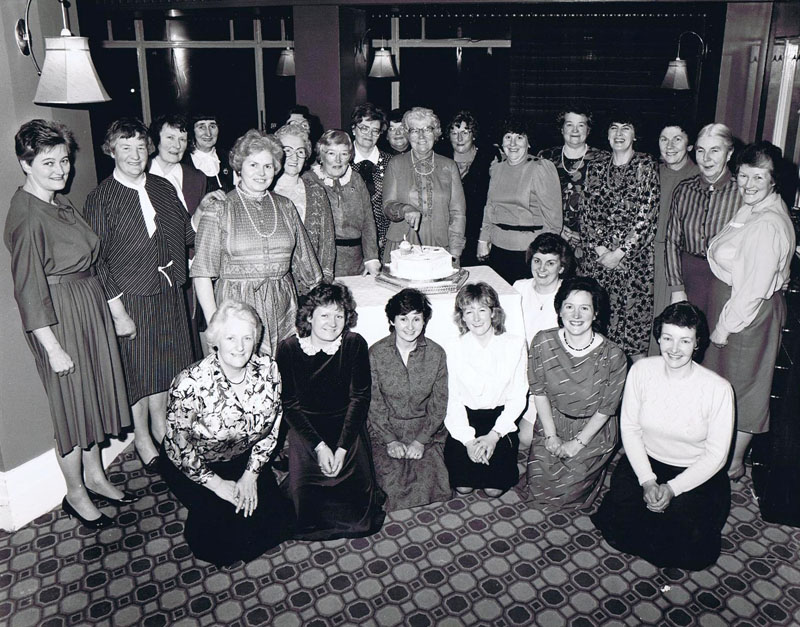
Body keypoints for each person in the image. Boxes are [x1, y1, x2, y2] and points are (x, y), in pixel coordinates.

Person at [5, 119, 133, 529]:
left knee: (91, 400)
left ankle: (95, 476)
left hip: (87, 306)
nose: (61, 170)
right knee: (70, 411)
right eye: (48, 162)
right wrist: (53, 348)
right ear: (26, 164)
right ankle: (75, 493)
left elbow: (92, 259)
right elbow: (27, 291)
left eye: (63, 160)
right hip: (59, 320)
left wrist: (112, 310)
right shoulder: (26, 215)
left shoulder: (59, 202)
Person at [85, 118, 198, 472]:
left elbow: (187, 235)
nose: (134, 155)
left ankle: (162, 425)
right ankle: (142, 436)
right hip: (130, 297)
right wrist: (117, 312)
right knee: (137, 371)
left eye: (139, 147)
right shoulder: (101, 198)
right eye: (125, 147)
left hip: (169, 292)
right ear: (111, 151)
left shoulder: (163, 188)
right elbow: (97, 262)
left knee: (166, 366)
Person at [592, 302, 734, 571]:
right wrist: (647, 481)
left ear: (697, 343)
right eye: (667, 338)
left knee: (686, 540)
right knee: (623, 516)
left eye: (684, 340)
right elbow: (630, 429)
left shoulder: (719, 389)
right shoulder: (642, 370)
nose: (674, 349)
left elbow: (716, 456)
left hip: (694, 472)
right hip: (648, 463)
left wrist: (672, 489)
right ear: (658, 338)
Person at [161, 300, 294, 566]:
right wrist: (217, 484)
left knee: (279, 523)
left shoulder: (268, 370)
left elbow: (273, 426)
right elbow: (180, 448)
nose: (240, 346)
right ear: (215, 341)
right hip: (196, 464)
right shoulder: (190, 383)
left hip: (242, 458)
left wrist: (251, 474)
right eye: (231, 337)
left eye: (247, 337)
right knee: (219, 545)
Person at [704, 141, 795, 480]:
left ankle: (734, 463)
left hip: (746, 315)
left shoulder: (767, 223)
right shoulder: (755, 207)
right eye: (743, 176)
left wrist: (723, 328)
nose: (748, 185)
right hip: (738, 307)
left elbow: (753, 289)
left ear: (774, 180)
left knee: (743, 390)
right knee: (728, 384)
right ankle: (723, 453)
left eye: (759, 177)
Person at [192, 129, 323, 356]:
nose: (261, 173)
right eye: (253, 165)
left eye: (268, 166)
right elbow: (202, 272)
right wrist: (216, 323)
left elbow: (308, 264)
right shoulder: (220, 208)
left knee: (281, 378)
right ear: (239, 167)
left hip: (283, 306)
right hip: (236, 308)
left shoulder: (286, 207)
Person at [276, 283, 386, 539]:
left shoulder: (354, 344)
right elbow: (289, 405)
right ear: (309, 317)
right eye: (324, 315)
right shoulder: (289, 349)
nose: (332, 322)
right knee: (305, 518)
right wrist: (320, 447)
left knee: (360, 523)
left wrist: (343, 447)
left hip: (347, 431)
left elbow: (360, 399)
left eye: (339, 315)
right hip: (306, 434)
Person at [521, 276, 627, 511]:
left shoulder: (613, 356)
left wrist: (576, 445)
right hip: (552, 423)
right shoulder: (542, 341)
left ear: (596, 313)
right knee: (537, 488)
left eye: (584, 308)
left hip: (592, 431)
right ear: (559, 310)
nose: (576, 315)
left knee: (566, 495)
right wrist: (550, 435)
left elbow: (606, 409)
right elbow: (539, 392)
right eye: (569, 307)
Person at [580, 111, 659, 359]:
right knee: (597, 326)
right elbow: (586, 212)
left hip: (633, 266)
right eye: (614, 128)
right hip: (599, 263)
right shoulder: (595, 167)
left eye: (626, 128)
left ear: (635, 135)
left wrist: (621, 252)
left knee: (632, 333)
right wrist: (601, 250)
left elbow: (647, 214)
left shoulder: (646, 165)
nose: (619, 134)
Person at [149, 113, 227, 359]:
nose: (176, 145)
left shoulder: (196, 177)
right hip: (151, 272)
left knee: (191, 337)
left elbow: (197, 228)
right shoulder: (142, 175)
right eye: (170, 138)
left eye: (182, 139)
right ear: (156, 140)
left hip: (190, 269)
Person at [368, 289, 450, 511]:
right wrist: (390, 440)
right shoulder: (375, 353)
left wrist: (421, 440)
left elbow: (439, 403)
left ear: (425, 320)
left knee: (432, 484)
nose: (410, 326)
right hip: (385, 429)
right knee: (389, 486)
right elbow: (373, 403)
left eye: (416, 318)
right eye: (403, 319)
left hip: (424, 429)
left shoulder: (436, 353)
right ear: (392, 321)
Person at [443, 282, 527, 496]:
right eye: (469, 312)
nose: (476, 318)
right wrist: (468, 441)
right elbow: (451, 399)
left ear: (493, 313)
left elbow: (518, 396)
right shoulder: (453, 347)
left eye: (482, 310)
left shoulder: (515, 344)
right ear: (461, 317)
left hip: (499, 421)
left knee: (493, 490)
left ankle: (509, 460)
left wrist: (493, 436)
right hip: (465, 419)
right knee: (462, 486)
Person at [664, 123, 739, 331]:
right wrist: (677, 288)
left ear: (729, 153)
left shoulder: (742, 193)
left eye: (715, 150)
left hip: (726, 281)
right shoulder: (684, 190)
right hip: (688, 277)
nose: (706, 159)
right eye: (701, 150)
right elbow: (672, 241)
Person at [477, 118, 563, 284]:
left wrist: (544, 256)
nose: (513, 143)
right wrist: (483, 240)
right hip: (498, 250)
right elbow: (490, 207)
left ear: (528, 142)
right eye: (508, 137)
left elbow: (553, 220)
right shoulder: (496, 168)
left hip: (529, 252)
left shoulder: (540, 168)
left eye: (519, 137)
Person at [512, 233, 576, 448]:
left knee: (525, 438)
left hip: (548, 379)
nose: (541, 269)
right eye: (537, 261)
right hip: (517, 371)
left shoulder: (568, 296)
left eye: (550, 263)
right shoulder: (519, 287)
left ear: (561, 267)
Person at [383, 107, 467, 266]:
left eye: (427, 129)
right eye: (414, 130)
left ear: (436, 133)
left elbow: (458, 213)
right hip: (403, 244)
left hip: (439, 246)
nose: (421, 136)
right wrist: (404, 209)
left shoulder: (449, 166)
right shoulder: (396, 164)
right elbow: (387, 207)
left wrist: (455, 250)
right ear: (407, 134)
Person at [649, 121, 700, 356]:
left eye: (677, 139)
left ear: (689, 145)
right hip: (646, 257)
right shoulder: (651, 172)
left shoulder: (699, 176)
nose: (670, 146)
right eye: (663, 139)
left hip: (677, 260)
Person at [305, 130, 381, 277]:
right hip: (322, 262)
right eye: (332, 153)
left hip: (357, 263)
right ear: (321, 155)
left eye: (344, 154)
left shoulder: (356, 179)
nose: (338, 160)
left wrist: (371, 257)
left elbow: (368, 221)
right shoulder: (309, 180)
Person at [538, 106, 606, 267]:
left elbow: (608, 205)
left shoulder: (603, 159)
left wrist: (587, 235)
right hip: (553, 239)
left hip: (593, 244)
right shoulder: (546, 158)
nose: (575, 130)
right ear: (561, 129)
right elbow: (536, 200)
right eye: (569, 124)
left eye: (581, 125)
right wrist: (558, 229)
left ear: (588, 130)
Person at [274, 123, 336, 282]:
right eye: (287, 151)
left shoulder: (316, 191)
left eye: (300, 152)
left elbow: (327, 242)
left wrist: (324, 280)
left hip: (312, 283)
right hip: (278, 284)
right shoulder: (266, 193)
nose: (294, 157)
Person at [439, 111, 494, 267]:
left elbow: (492, 200)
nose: (459, 138)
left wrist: (485, 237)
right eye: (454, 133)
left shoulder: (489, 158)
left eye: (465, 132)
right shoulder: (439, 158)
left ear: (473, 135)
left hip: (476, 231)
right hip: (446, 231)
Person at [350, 103, 393, 260]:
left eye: (375, 130)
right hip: (349, 244)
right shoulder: (341, 161)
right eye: (364, 128)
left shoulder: (391, 162)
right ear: (354, 129)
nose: (369, 134)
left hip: (385, 243)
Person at [186, 113, 233, 193]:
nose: (208, 133)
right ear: (192, 131)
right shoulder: (183, 163)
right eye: (201, 127)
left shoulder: (229, 158)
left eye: (212, 126)